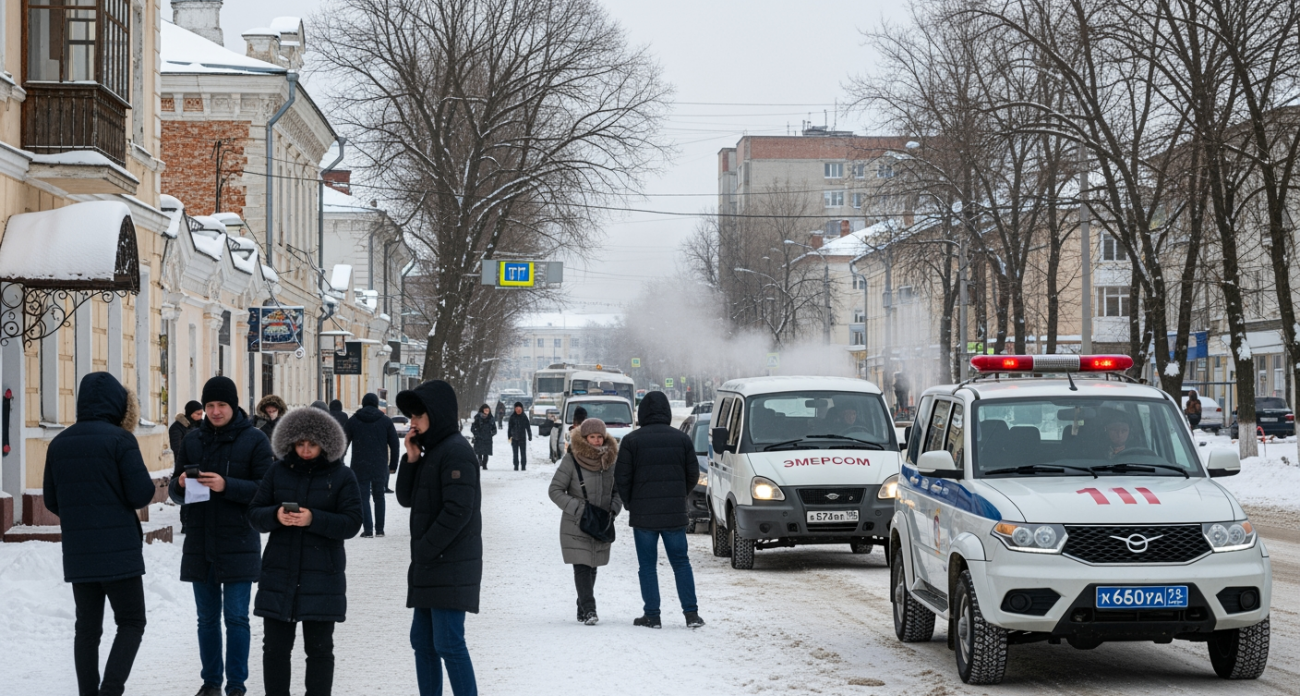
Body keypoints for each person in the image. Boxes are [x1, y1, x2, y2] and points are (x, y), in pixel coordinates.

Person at [44, 372, 156, 696]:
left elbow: (52, 499)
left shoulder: (59, 443)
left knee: (87, 630)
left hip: (80, 554)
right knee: (132, 622)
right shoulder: (120, 440)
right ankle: (110, 691)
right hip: (120, 552)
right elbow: (141, 494)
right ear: (118, 403)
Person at [169, 376, 275, 696]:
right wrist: (181, 487)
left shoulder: (254, 440)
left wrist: (227, 485)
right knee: (206, 619)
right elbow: (176, 487)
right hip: (200, 540)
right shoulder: (192, 440)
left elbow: (266, 489)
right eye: (210, 405)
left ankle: (237, 685)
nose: (215, 411)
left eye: (222, 405)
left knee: (237, 618)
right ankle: (211, 683)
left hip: (238, 540)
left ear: (234, 406)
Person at [248, 406, 362, 696]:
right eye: (300, 444)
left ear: (325, 444)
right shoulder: (277, 471)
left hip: (323, 576)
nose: (306, 450)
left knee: (320, 650)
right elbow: (255, 514)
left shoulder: (342, 476)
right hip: (279, 573)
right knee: (274, 649)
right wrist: (275, 515)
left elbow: (352, 523)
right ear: (290, 443)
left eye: (312, 444)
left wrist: (314, 519)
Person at [396, 380, 482, 696]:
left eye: (417, 415)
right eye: (410, 416)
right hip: (431, 565)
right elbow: (405, 498)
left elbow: (458, 511)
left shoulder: (456, 452)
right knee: (423, 643)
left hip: (450, 564)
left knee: (448, 643)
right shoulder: (431, 451)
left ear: (437, 414)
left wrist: (425, 549)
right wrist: (411, 458)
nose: (412, 422)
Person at [614, 391, 704, 629]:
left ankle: (652, 615)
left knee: (647, 566)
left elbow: (621, 478)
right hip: (675, 513)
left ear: (642, 412)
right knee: (681, 563)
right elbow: (693, 474)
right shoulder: (681, 439)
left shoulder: (632, 441)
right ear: (667, 411)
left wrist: (631, 503)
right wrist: (678, 495)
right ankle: (691, 615)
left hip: (643, 515)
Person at [548, 418, 621, 625]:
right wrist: (578, 509)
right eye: (592, 437)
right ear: (584, 438)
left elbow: (618, 491)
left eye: (600, 437)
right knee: (582, 565)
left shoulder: (610, 461)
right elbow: (554, 490)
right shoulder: (571, 460)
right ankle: (590, 609)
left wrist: (614, 509)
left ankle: (582, 606)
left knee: (593, 564)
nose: (597, 441)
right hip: (576, 523)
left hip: (600, 522)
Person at [346, 393, 402, 537]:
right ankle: (380, 529)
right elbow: (395, 445)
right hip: (379, 465)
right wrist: (393, 465)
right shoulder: (385, 421)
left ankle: (368, 529)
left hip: (360, 465)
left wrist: (338, 462)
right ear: (377, 404)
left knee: (363, 497)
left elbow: (343, 442)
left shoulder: (354, 421)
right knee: (379, 497)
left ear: (363, 404)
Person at [171, 399, 205, 535]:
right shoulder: (177, 427)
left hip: (202, 465)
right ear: (190, 413)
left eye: (202, 413)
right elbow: (177, 448)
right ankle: (186, 523)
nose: (200, 416)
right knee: (187, 495)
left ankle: (198, 522)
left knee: (199, 495)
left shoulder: (202, 425)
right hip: (185, 466)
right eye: (197, 414)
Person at [470, 403, 496, 470]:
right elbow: (473, 427)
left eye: (488, 410)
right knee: (479, 452)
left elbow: (494, 428)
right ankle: (480, 461)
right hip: (479, 437)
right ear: (482, 410)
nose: (487, 411)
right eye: (485, 410)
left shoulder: (491, 418)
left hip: (487, 438)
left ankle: (485, 465)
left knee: (486, 452)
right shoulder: (477, 418)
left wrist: (491, 433)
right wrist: (476, 433)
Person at [507, 402, 531, 471]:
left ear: (522, 409)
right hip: (514, 438)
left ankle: (523, 466)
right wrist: (509, 437)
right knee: (515, 453)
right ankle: (516, 465)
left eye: (519, 408)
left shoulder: (524, 417)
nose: (518, 410)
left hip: (522, 437)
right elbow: (509, 428)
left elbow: (528, 427)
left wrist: (529, 435)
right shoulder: (512, 417)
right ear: (515, 409)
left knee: (523, 453)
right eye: (516, 408)